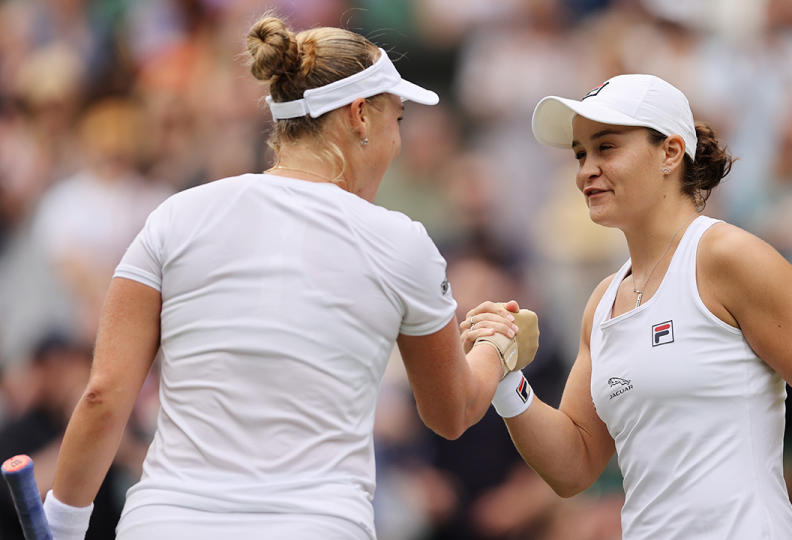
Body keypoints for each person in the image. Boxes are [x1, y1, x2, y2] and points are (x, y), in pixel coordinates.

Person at [39, 16, 526, 540]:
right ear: (361, 116)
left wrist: (63, 526)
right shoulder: (401, 242)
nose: (397, 143)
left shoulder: (176, 216)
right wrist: (499, 346)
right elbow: (452, 411)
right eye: (398, 120)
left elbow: (103, 396)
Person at [465, 74, 792, 538]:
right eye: (580, 154)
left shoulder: (727, 256)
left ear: (670, 153)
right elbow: (574, 466)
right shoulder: (601, 304)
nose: (585, 170)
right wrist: (507, 378)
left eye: (606, 148)